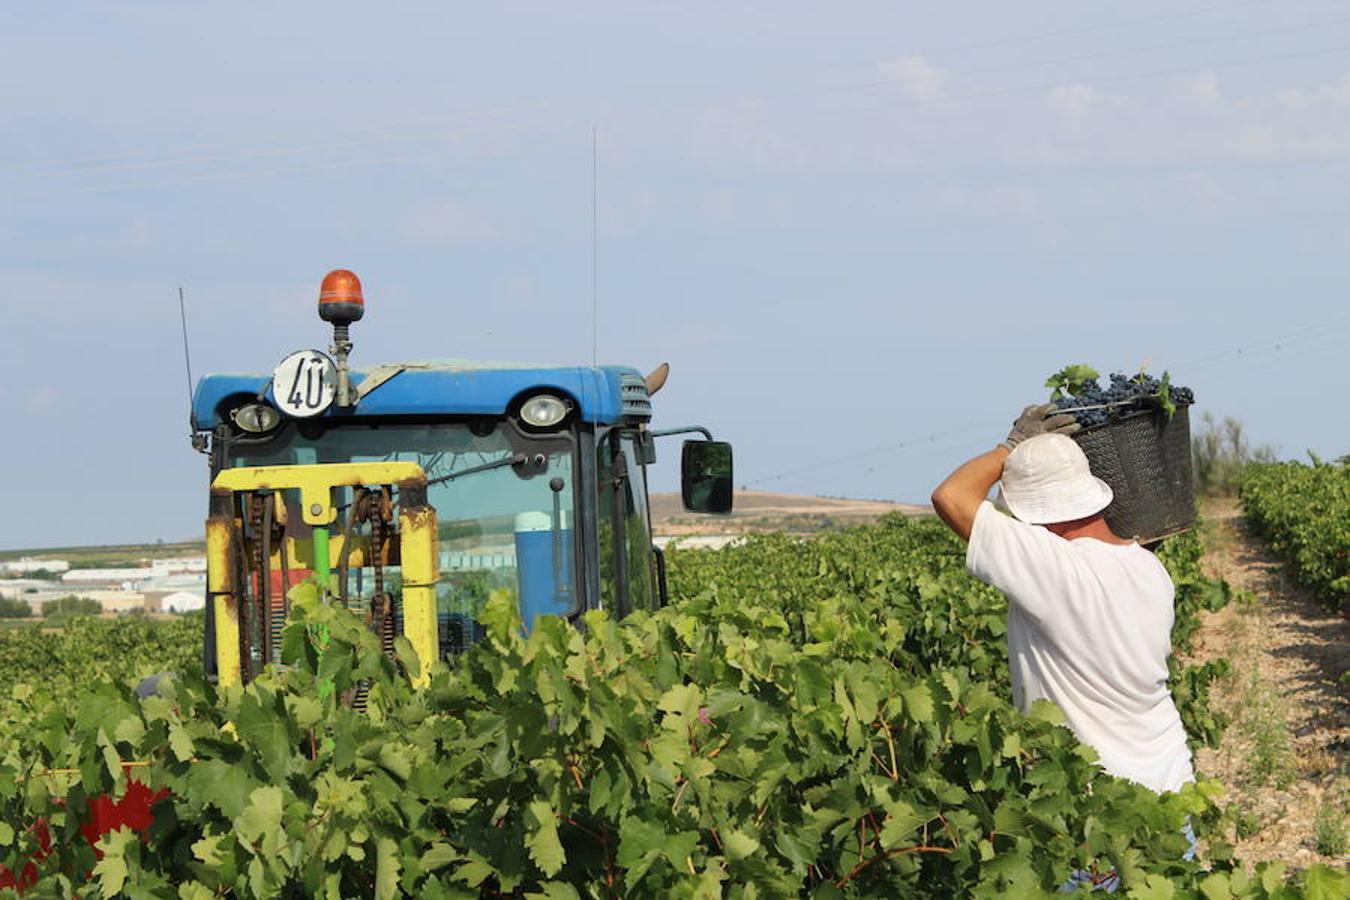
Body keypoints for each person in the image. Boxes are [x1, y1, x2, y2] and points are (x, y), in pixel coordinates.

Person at [931, 405, 1196, 889]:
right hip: (1171, 794)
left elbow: (951, 497)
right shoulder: (1148, 568)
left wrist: (1008, 449)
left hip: (1095, 818)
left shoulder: (1053, 569)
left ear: (1037, 517)